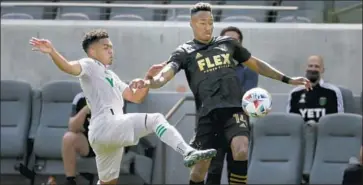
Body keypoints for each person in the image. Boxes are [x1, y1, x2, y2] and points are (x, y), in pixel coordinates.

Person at [130, 2, 312, 184]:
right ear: (192, 24)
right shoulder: (183, 52)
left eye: (210, 22)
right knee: (199, 172)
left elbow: (257, 64)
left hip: (234, 110)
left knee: (241, 149)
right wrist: (148, 82)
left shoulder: (228, 43)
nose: (207, 27)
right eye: (202, 22)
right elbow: (165, 75)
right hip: (207, 116)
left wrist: (287, 79)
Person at [29, 29, 217, 185]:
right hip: (107, 126)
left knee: (108, 183)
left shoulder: (110, 75)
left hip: (105, 134)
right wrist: (52, 51)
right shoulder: (89, 64)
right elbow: (69, 67)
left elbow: (135, 97)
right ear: (92, 52)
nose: (111, 50)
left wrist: (148, 78)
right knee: (156, 119)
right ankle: (188, 152)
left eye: (111, 46)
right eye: (106, 47)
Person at [205, 26, 259, 185]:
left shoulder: (250, 68)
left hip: (238, 121)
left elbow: (247, 97)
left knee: (237, 166)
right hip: (214, 122)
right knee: (213, 168)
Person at [287, 55, 344, 123]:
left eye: (317, 66)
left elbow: (339, 121)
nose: (313, 69)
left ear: (322, 70)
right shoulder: (295, 93)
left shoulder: (333, 92)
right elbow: (290, 123)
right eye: (310, 66)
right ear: (306, 68)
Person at [62, 92, 93, 185]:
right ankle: (70, 181)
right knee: (68, 138)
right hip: (89, 142)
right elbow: (72, 127)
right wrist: (85, 110)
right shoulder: (80, 98)